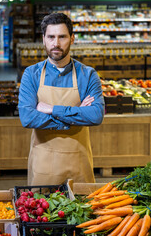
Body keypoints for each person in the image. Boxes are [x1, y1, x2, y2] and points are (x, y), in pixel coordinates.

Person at [18, 13, 105, 186]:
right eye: (51, 37)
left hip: (79, 166)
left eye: (62, 37)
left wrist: (52, 109)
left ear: (72, 39)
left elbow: (95, 115)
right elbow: (27, 117)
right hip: (43, 168)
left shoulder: (88, 75)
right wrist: (77, 114)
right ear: (43, 39)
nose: (56, 43)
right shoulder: (31, 74)